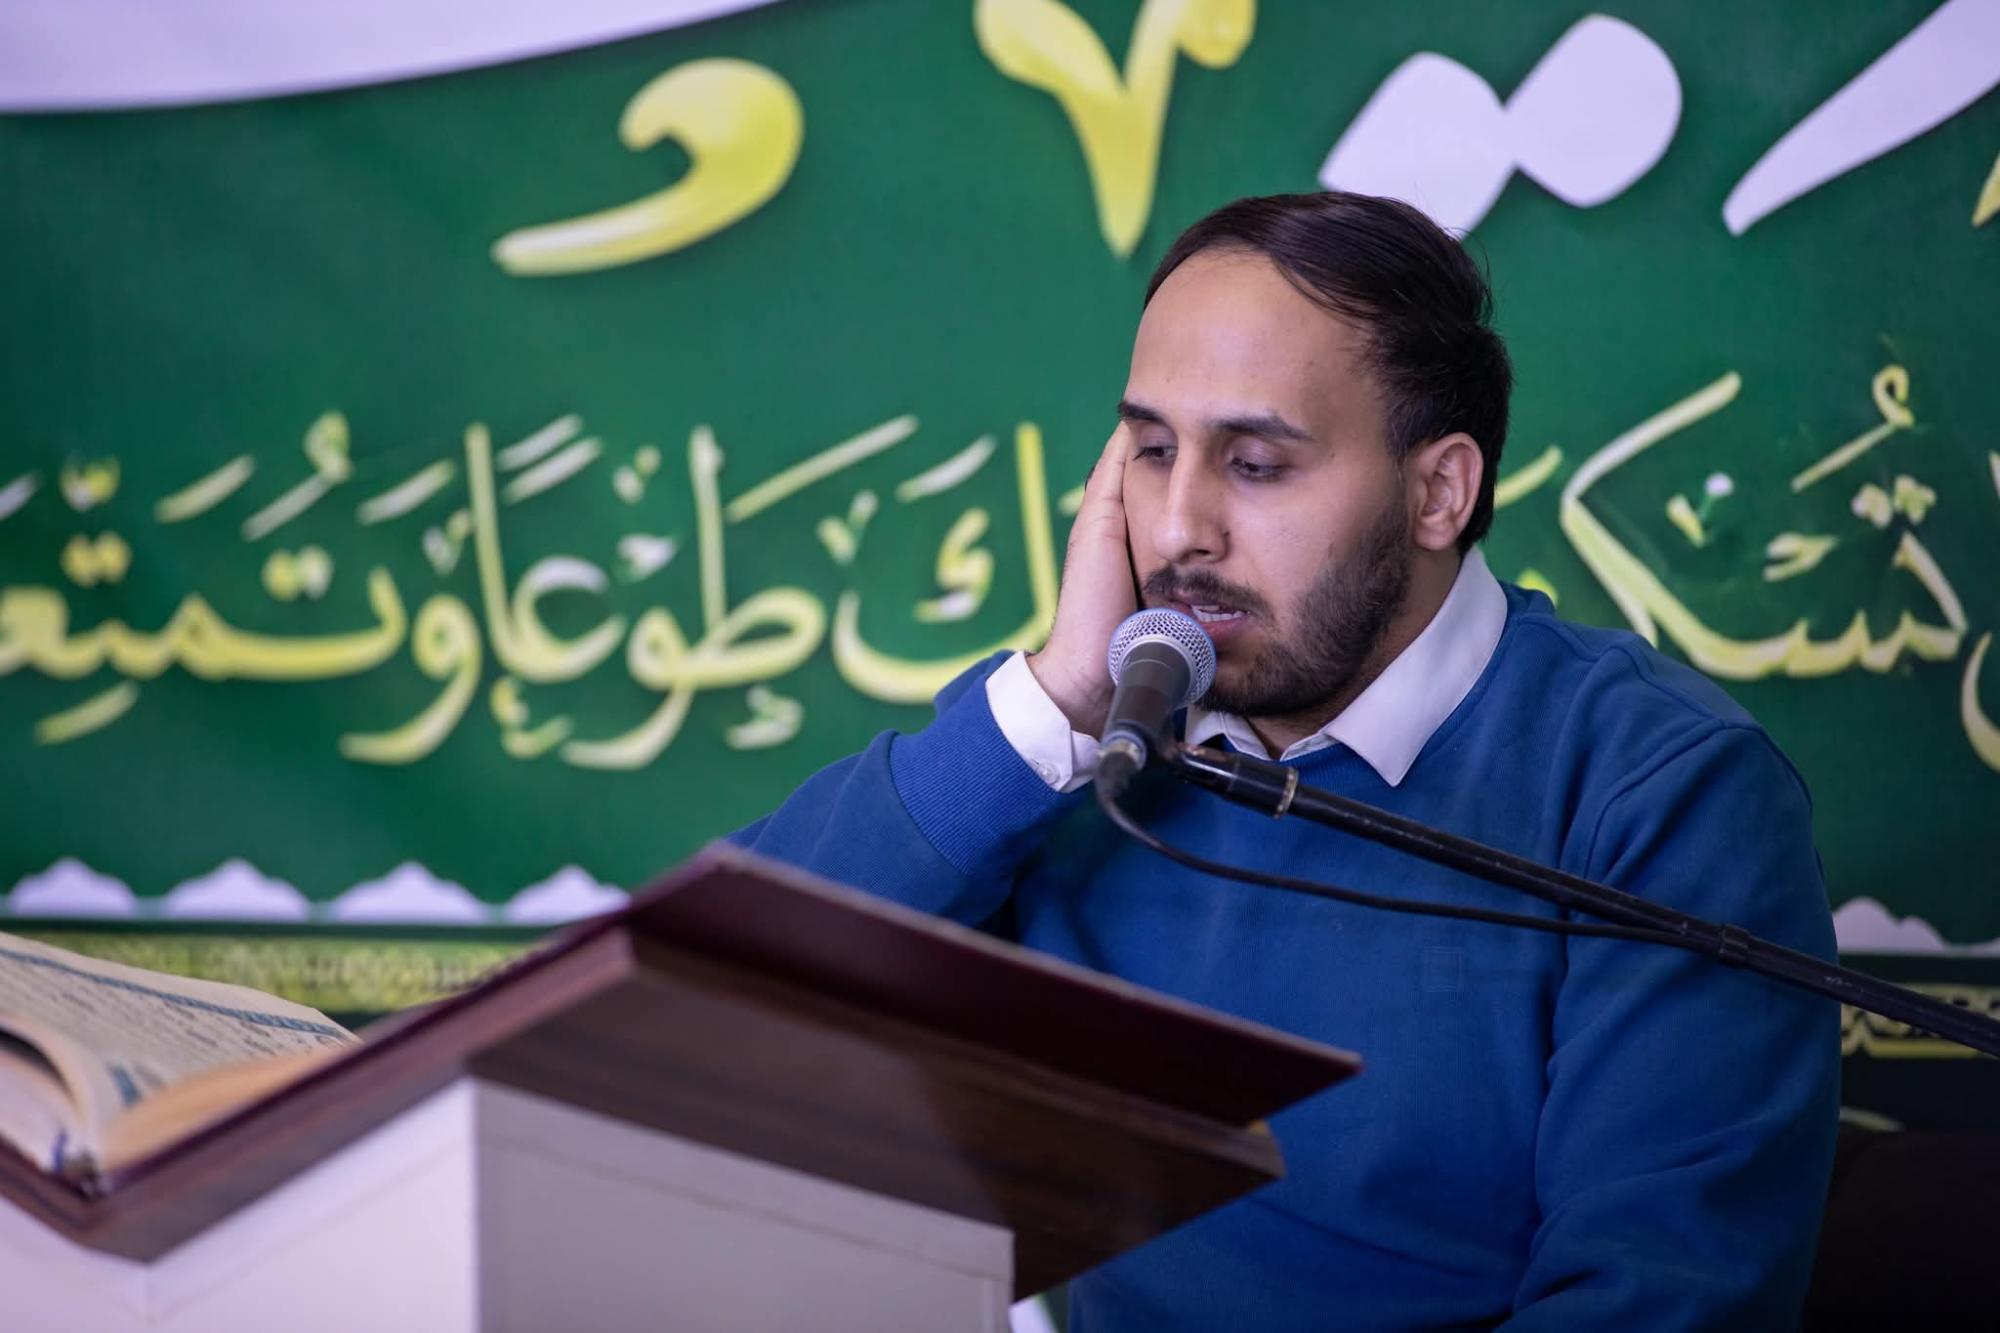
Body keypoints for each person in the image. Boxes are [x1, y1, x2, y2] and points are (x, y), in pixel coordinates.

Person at [732, 192, 1839, 1330]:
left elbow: (1657, 1302)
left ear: (1437, 491)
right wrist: (1058, 700)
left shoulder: (1665, 790)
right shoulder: (1083, 753)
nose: (1178, 529)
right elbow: (714, 991)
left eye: (1254, 463)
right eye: (1151, 451)